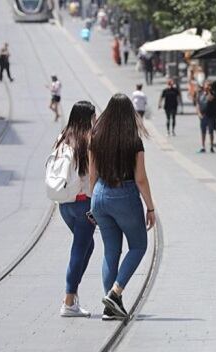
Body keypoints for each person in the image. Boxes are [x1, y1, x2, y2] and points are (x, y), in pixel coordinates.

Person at [89, 93, 156, 321]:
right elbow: (141, 178)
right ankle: (115, 293)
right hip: (124, 195)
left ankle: (110, 308)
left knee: (110, 251)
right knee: (138, 246)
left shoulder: (96, 137)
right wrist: (150, 207)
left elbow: (92, 175)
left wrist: (92, 203)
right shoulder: (133, 141)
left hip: (99, 195)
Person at [55, 101, 97, 317]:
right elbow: (93, 174)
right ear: (87, 118)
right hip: (84, 204)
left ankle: (72, 296)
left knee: (87, 246)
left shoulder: (62, 137)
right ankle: (69, 300)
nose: (96, 120)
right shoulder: (89, 139)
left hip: (65, 205)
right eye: (94, 117)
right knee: (80, 249)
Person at [196, 81, 215, 153]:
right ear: (204, 86)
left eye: (209, 85)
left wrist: (209, 91)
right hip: (203, 115)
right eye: (207, 85)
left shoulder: (212, 93)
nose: (208, 86)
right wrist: (198, 113)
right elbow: (197, 104)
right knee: (203, 131)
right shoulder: (200, 94)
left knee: (211, 131)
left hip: (210, 115)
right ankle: (203, 146)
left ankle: (211, 146)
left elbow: (210, 99)